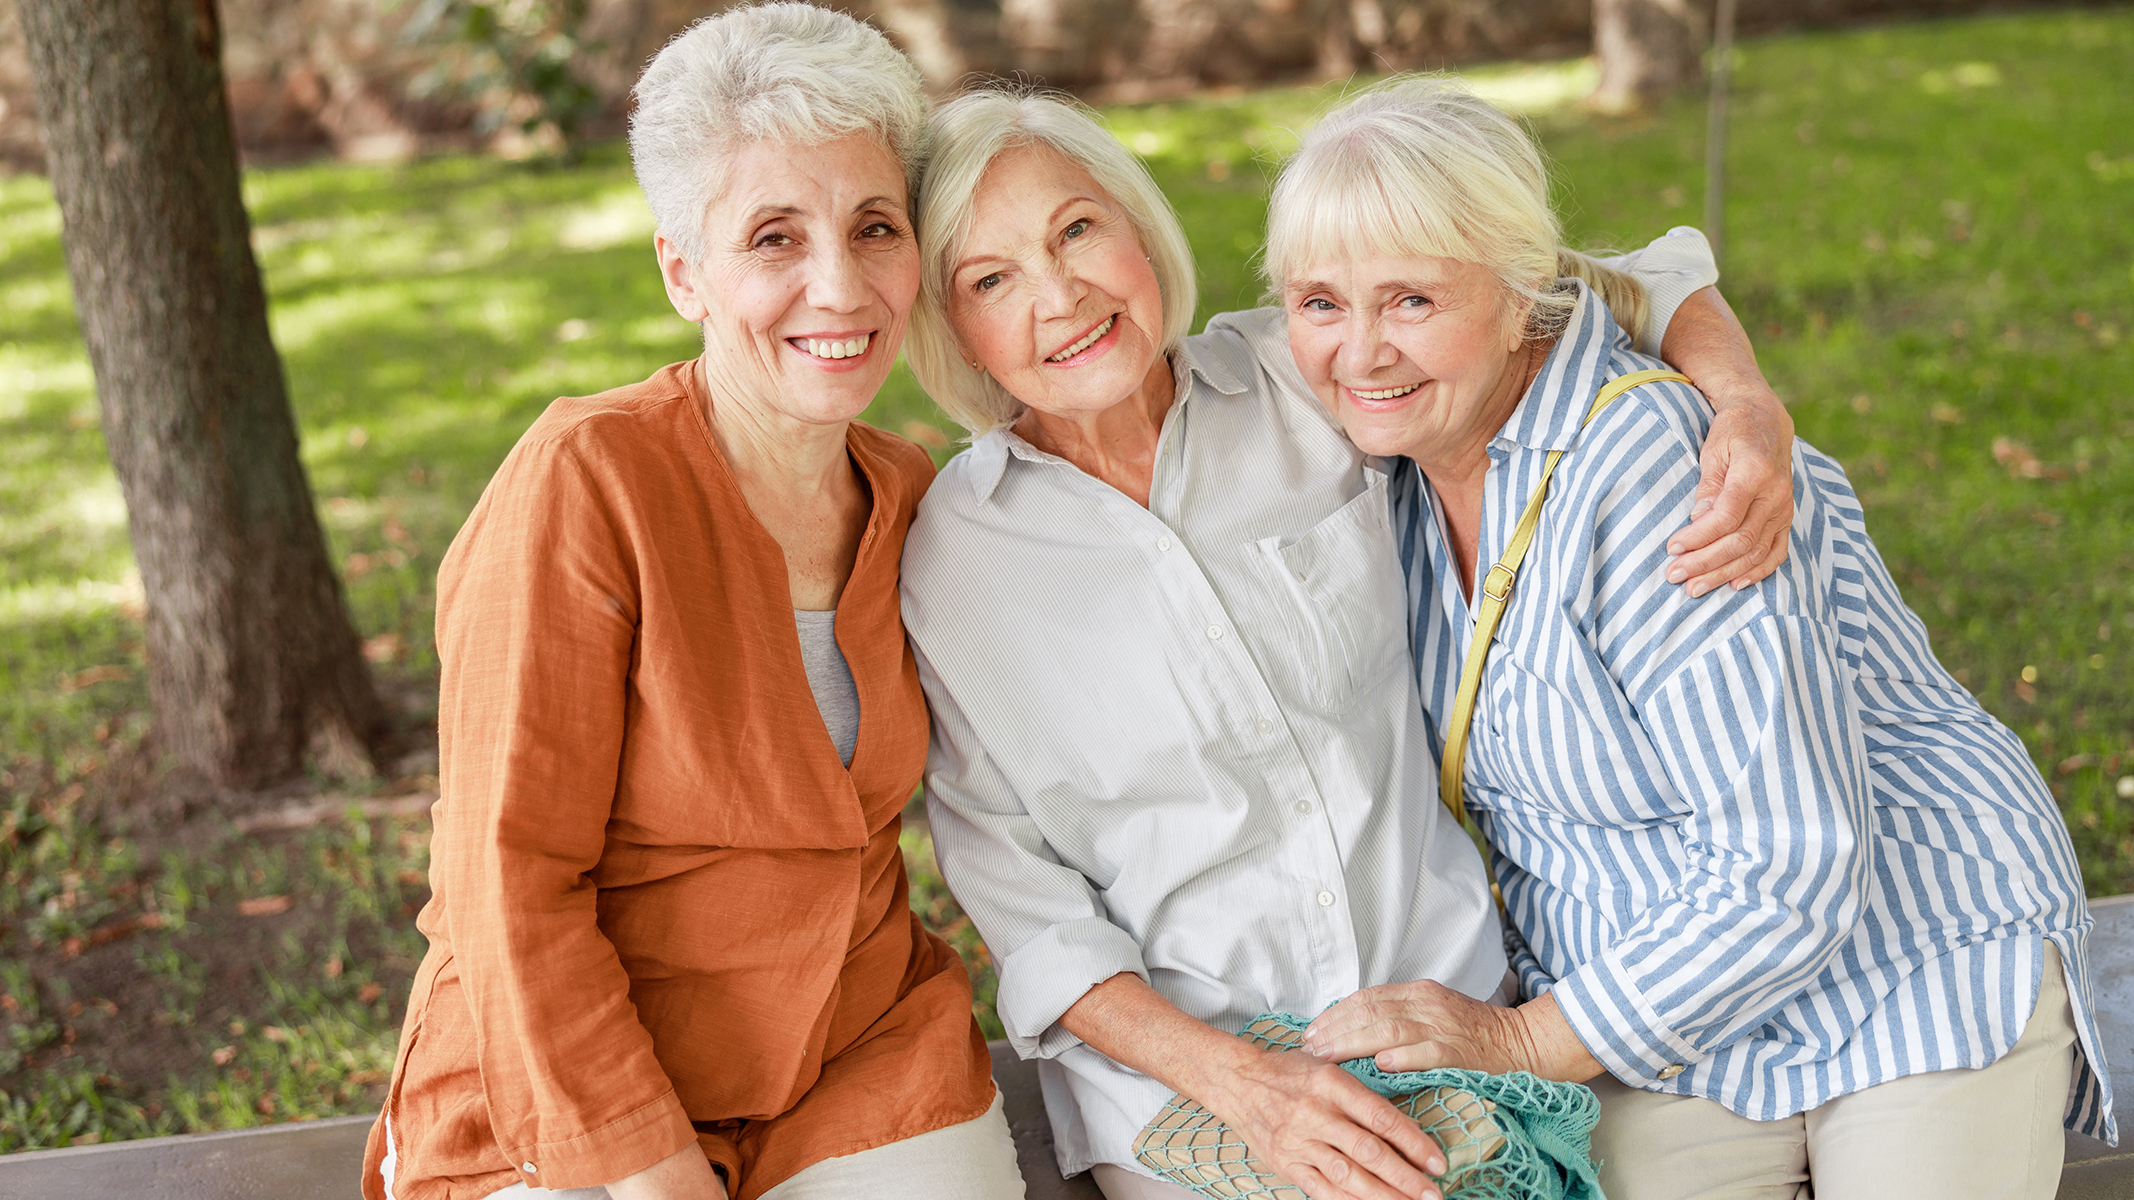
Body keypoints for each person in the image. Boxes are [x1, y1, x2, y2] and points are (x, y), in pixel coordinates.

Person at [898, 87, 1797, 1200]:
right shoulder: (953, 561)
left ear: (1138, 225)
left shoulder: (1314, 369)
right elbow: (1029, 915)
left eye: (1077, 229)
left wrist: (1744, 399)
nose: (1060, 294)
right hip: (1197, 1107)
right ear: (950, 325)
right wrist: (1246, 1085)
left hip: (1455, 1034)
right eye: (991, 279)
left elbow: (1602, 283)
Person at [1280, 80, 2116, 1200]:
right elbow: (1658, 263)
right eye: (1319, 304)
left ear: (1524, 290)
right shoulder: (1400, 459)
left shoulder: (1652, 466)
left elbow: (1792, 862)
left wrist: (1523, 1042)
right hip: (1663, 1003)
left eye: (1411, 301)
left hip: (1905, 948)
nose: (1360, 351)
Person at [360, 8, 1022, 1199]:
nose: (840, 284)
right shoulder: (587, 479)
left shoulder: (914, 495)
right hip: (568, 1076)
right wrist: (655, 1174)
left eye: (875, 226)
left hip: (848, 1048)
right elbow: (507, 883)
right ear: (684, 272)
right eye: (774, 236)